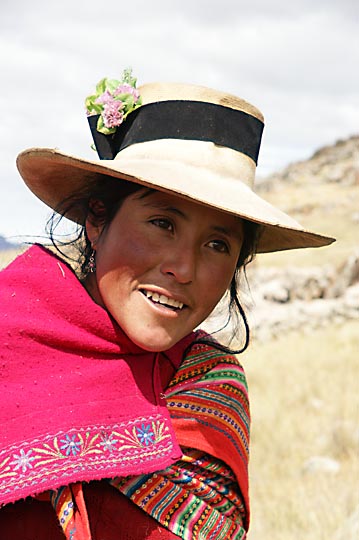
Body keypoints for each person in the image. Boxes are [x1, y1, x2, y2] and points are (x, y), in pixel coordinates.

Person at [0, 71, 334, 540]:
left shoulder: (209, 385)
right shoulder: (8, 334)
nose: (184, 268)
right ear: (99, 220)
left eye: (218, 244)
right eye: (162, 222)